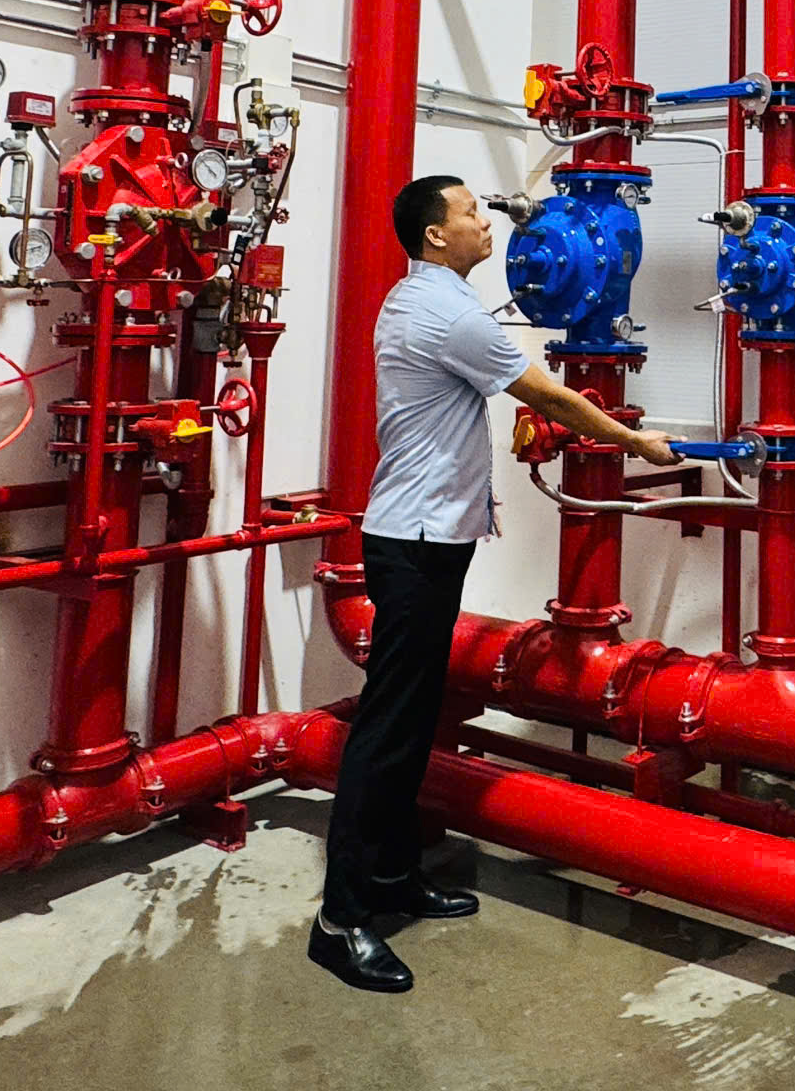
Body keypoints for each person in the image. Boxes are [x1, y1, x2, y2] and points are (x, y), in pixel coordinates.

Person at [309, 174, 679, 993]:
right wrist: (635, 442)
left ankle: (394, 877)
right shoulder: (449, 314)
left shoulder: (424, 299)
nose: (487, 222)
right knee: (386, 731)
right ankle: (340, 922)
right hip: (414, 545)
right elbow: (545, 393)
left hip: (428, 540)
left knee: (412, 722)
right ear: (436, 236)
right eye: (472, 212)